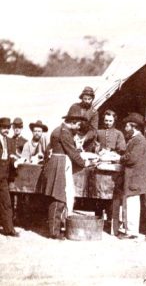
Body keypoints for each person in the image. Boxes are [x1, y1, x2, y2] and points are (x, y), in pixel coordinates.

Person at [43, 109, 94, 239]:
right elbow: (72, 152)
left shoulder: (59, 130)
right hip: (59, 164)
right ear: (73, 122)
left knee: (59, 196)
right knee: (59, 196)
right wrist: (85, 163)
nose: (78, 129)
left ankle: (56, 228)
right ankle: (54, 232)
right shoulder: (64, 133)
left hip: (58, 162)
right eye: (78, 126)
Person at [117, 113, 146, 239]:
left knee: (132, 204)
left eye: (127, 126)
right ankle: (129, 230)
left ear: (133, 126)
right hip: (133, 177)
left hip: (135, 177)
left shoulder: (139, 140)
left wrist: (119, 158)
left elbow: (132, 159)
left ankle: (132, 232)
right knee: (130, 203)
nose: (125, 128)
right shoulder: (135, 139)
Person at [93, 109, 126, 231]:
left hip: (112, 169)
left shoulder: (118, 134)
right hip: (100, 168)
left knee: (111, 196)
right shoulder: (98, 132)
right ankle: (97, 221)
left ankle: (110, 221)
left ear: (114, 121)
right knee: (98, 195)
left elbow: (122, 149)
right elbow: (93, 146)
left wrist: (112, 152)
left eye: (110, 121)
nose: (108, 123)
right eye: (106, 120)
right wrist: (98, 149)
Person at [0, 117, 19, 237]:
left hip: (3, 177)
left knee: (6, 203)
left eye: (8, 127)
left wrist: (15, 161)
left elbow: (11, 157)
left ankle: (9, 229)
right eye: (3, 127)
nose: (6, 130)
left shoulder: (10, 141)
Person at [67, 86, 98, 151]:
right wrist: (74, 136)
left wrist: (84, 138)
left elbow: (94, 130)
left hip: (86, 141)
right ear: (82, 98)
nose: (87, 101)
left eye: (89, 99)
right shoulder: (74, 107)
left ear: (92, 99)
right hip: (72, 137)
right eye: (85, 99)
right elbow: (67, 122)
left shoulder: (94, 112)